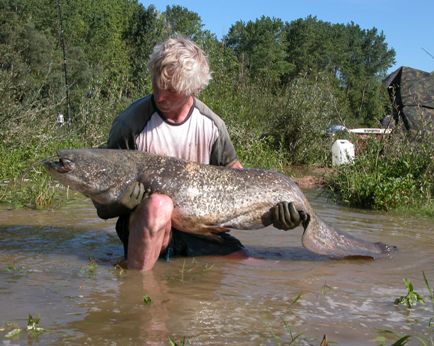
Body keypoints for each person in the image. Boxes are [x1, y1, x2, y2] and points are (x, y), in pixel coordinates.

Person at [94, 35, 304, 271]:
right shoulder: (130, 124)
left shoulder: (212, 126)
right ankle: (136, 289)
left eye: (171, 90)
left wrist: (276, 214)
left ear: (194, 89)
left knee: (250, 267)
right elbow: (102, 207)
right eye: (156, 83)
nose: (160, 96)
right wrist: (119, 204)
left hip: (199, 229)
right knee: (158, 206)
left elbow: (238, 180)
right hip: (147, 225)